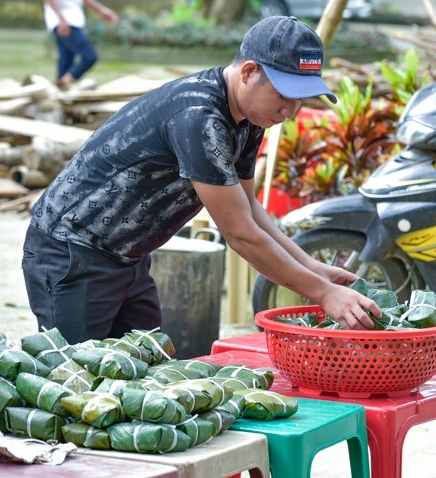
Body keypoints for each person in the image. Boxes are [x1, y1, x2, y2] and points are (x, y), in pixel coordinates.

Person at [22, 16, 382, 344]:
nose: (290, 111)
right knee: (73, 387)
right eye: (284, 95)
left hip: (128, 258)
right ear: (249, 72)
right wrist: (323, 293)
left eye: (301, 99)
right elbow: (240, 234)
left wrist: (313, 267)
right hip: (71, 252)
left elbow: (250, 210)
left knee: (145, 366)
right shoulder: (199, 116)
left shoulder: (250, 116)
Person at [43, 0, 118, 89]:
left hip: (71, 22)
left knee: (66, 59)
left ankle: (60, 89)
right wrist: (61, 19)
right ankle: (65, 82)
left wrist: (101, 10)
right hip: (65, 23)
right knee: (89, 56)